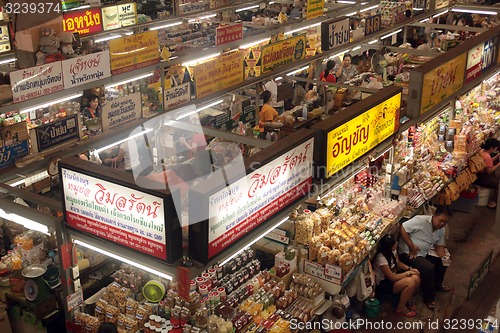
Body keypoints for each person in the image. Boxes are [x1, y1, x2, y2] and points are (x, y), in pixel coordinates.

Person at [398, 206, 452, 310]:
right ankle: (429, 298)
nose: (442, 224)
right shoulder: (420, 220)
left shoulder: (441, 229)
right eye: (441, 220)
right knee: (428, 268)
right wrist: (412, 246)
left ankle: (437, 285)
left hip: (425, 252)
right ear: (435, 216)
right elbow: (402, 228)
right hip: (409, 253)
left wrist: (444, 258)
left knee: (443, 262)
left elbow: (439, 246)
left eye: (445, 222)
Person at [373, 235, 420, 317]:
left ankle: (408, 300)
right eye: (395, 244)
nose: (397, 243)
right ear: (390, 247)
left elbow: (398, 263)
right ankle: (400, 308)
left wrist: (410, 269)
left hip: (393, 276)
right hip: (384, 283)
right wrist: (408, 273)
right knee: (410, 282)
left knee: (416, 277)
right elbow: (392, 277)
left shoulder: (393, 251)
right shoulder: (381, 258)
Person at [475, 138, 500, 209]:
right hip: (482, 177)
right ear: (492, 147)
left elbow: (488, 162)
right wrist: (499, 164)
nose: (495, 149)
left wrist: (497, 156)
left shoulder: (481, 151)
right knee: (498, 185)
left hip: (478, 174)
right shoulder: (487, 156)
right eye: (495, 148)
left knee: (497, 177)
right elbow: (489, 171)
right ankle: (493, 203)